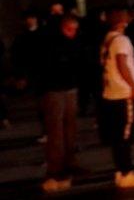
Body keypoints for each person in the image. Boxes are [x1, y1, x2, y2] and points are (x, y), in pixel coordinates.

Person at [99, 7, 134, 189]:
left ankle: (122, 171)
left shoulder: (108, 39)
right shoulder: (121, 40)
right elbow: (122, 63)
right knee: (125, 135)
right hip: (123, 93)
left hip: (111, 93)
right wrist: (133, 85)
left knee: (118, 136)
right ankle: (125, 173)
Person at [38, 15, 83, 193]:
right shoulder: (51, 44)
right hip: (54, 89)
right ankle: (55, 169)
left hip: (69, 87)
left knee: (70, 127)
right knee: (56, 131)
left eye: (74, 30)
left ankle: (69, 162)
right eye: (69, 30)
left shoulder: (74, 42)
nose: (72, 33)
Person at [12, 11, 46, 142]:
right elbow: (17, 57)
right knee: (40, 104)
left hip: (43, 72)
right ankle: (45, 130)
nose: (30, 21)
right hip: (33, 73)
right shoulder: (21, 37)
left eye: (32, 18)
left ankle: (48, 130)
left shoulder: (43, 34)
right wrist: (20, 76)